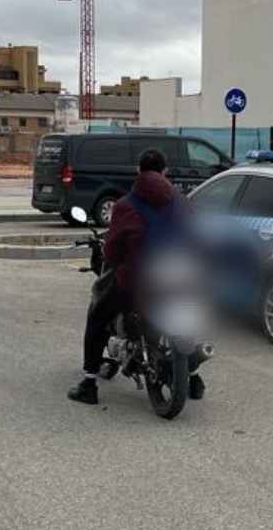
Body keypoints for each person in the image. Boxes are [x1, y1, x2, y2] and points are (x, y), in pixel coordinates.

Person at [68, 148, 206, 405]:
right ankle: (194, 379)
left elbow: (112, 249)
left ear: (138, 171)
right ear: (165, 171)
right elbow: (196, 240)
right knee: (188, 312)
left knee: (98, 313)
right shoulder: (183, 202)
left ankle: (89, 383)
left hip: (138, 281)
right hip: (179, 275)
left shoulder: (126, 205)